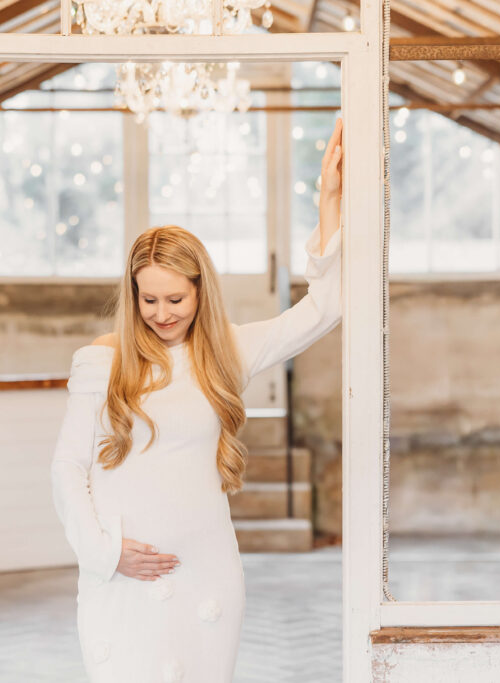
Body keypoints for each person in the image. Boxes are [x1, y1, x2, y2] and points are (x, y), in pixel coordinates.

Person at [51, 118, 344, 682]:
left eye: (177, 298)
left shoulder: (228, 350)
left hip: (206, 574)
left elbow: (323, 310)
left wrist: (329, 201)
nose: (163, 314)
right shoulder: (101, 361)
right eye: (149, 299)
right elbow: (68, 467)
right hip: (119, 575)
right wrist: (105, 552)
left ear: (200, 290)